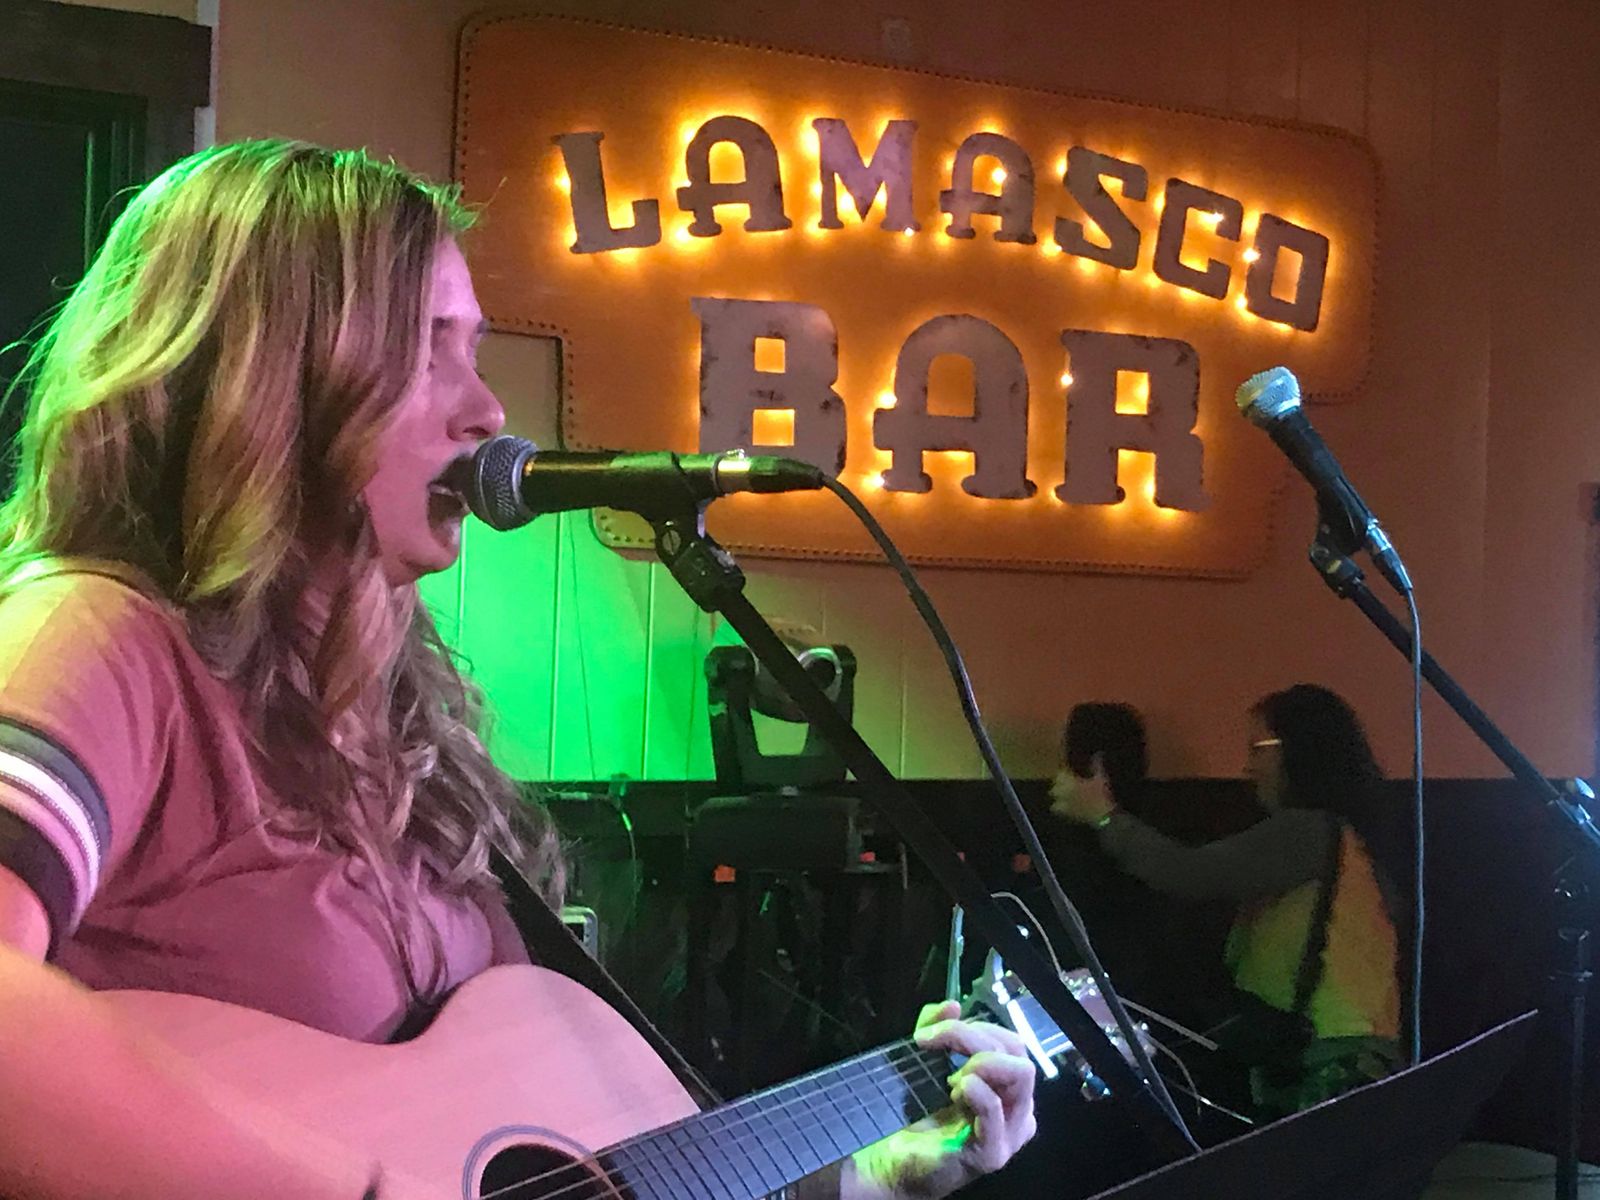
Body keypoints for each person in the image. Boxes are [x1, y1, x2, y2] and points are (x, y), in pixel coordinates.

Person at [0, 139, 1036, 1200]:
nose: (486, 411)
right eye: (424, 349)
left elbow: (597, 1176)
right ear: (263, 377)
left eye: (475, 349)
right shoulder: (97, 638)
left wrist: (870, 1179)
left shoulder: (400, 727)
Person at [1051, 684, 1403, 1118]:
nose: (1247, 767)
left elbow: (1191, 873)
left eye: (1258, 749)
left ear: (1299, 751)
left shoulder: (1309, 832)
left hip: (1333, 1056)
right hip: (1337, 1050)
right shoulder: (1347, 836)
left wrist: (1103, 816)